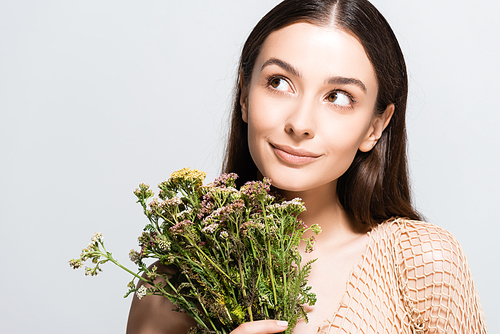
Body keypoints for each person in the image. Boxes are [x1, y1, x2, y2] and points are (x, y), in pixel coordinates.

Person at [126, 0, 488, 333]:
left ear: (375, 127)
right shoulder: (171, 288)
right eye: (279, 83)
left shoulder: (424, 265)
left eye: (339, 97)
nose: (300, 123)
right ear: (244, 96)